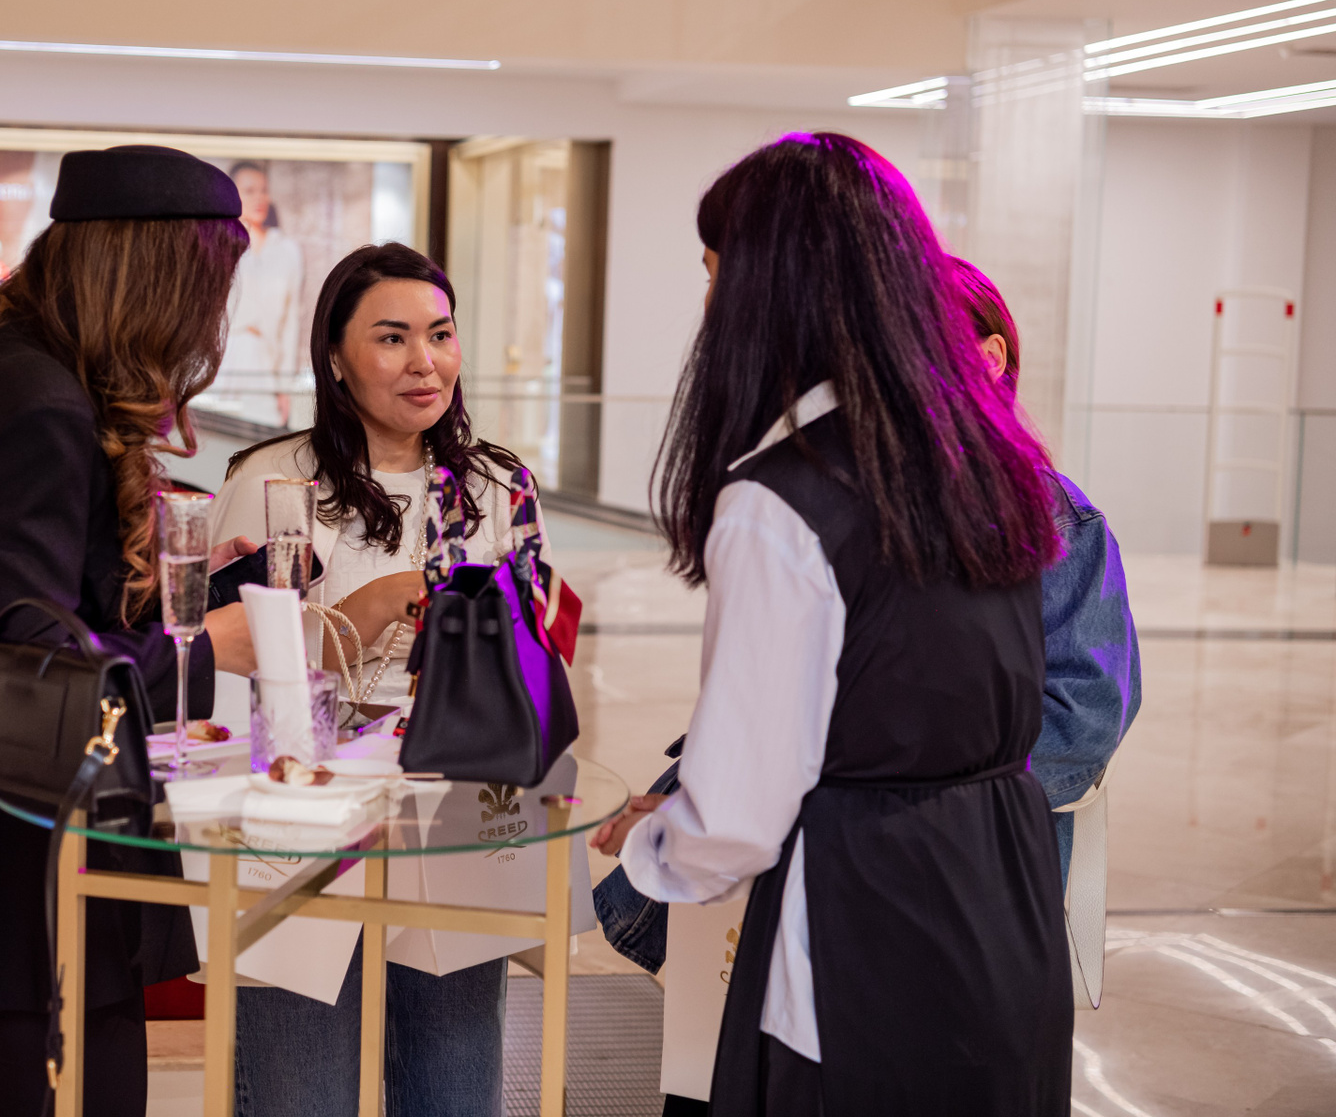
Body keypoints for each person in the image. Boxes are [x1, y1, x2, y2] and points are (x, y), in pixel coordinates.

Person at [593, 133, 1073, 1115]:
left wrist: (658, 844)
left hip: (866, 921)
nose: (709, 304)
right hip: (1005, 897)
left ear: (771, 289)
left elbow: (735, 824)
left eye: (715, 272)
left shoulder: (781, 501)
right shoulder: (987, 458)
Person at [0, 145, 261, 1117]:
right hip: (24, 841)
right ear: (157, 280)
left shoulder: (5, 368)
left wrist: (196, 589)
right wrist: (210, 644)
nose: (208, 322)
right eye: (207, 290)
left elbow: (34, 605)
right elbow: (27, 668)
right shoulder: (41, 404)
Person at [208, 242, 538, 1117]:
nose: (426, 362)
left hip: (452, 811)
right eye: (392, 338)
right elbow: (229, 666)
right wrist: (375, 605)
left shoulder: (495, 486)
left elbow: (535, 660)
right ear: (335, 358)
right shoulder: (273, 481)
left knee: (454, 1088)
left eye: (441, 334)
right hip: (299, 822)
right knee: (300, 1088)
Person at [949, 256, 1142, 884]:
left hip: (983, 868)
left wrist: (930, 785)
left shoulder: (1059, 523)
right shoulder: (869, 510)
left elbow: (1084, 718)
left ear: (989, 358)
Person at [214, 160, 305, 426]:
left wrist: (285, 386)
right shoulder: (218, 245)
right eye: (249, 190)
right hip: (223, 364)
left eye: (263, 190)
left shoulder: (287, 251)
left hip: (265, 367)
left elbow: (291, 321)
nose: (259, 198)